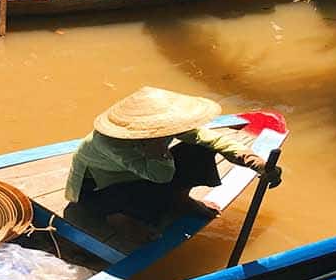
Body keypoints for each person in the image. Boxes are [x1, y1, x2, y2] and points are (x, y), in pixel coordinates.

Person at [66, 87, 281, 230]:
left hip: (144, 172)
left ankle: (182, 198)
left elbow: (209, 139)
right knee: (135, 204)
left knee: (199, 149)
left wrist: (254, 161)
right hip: (100, 187)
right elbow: (160, 175)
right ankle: (117, 217)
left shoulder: (164, 129)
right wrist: (158, 150)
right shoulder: (111, 141)